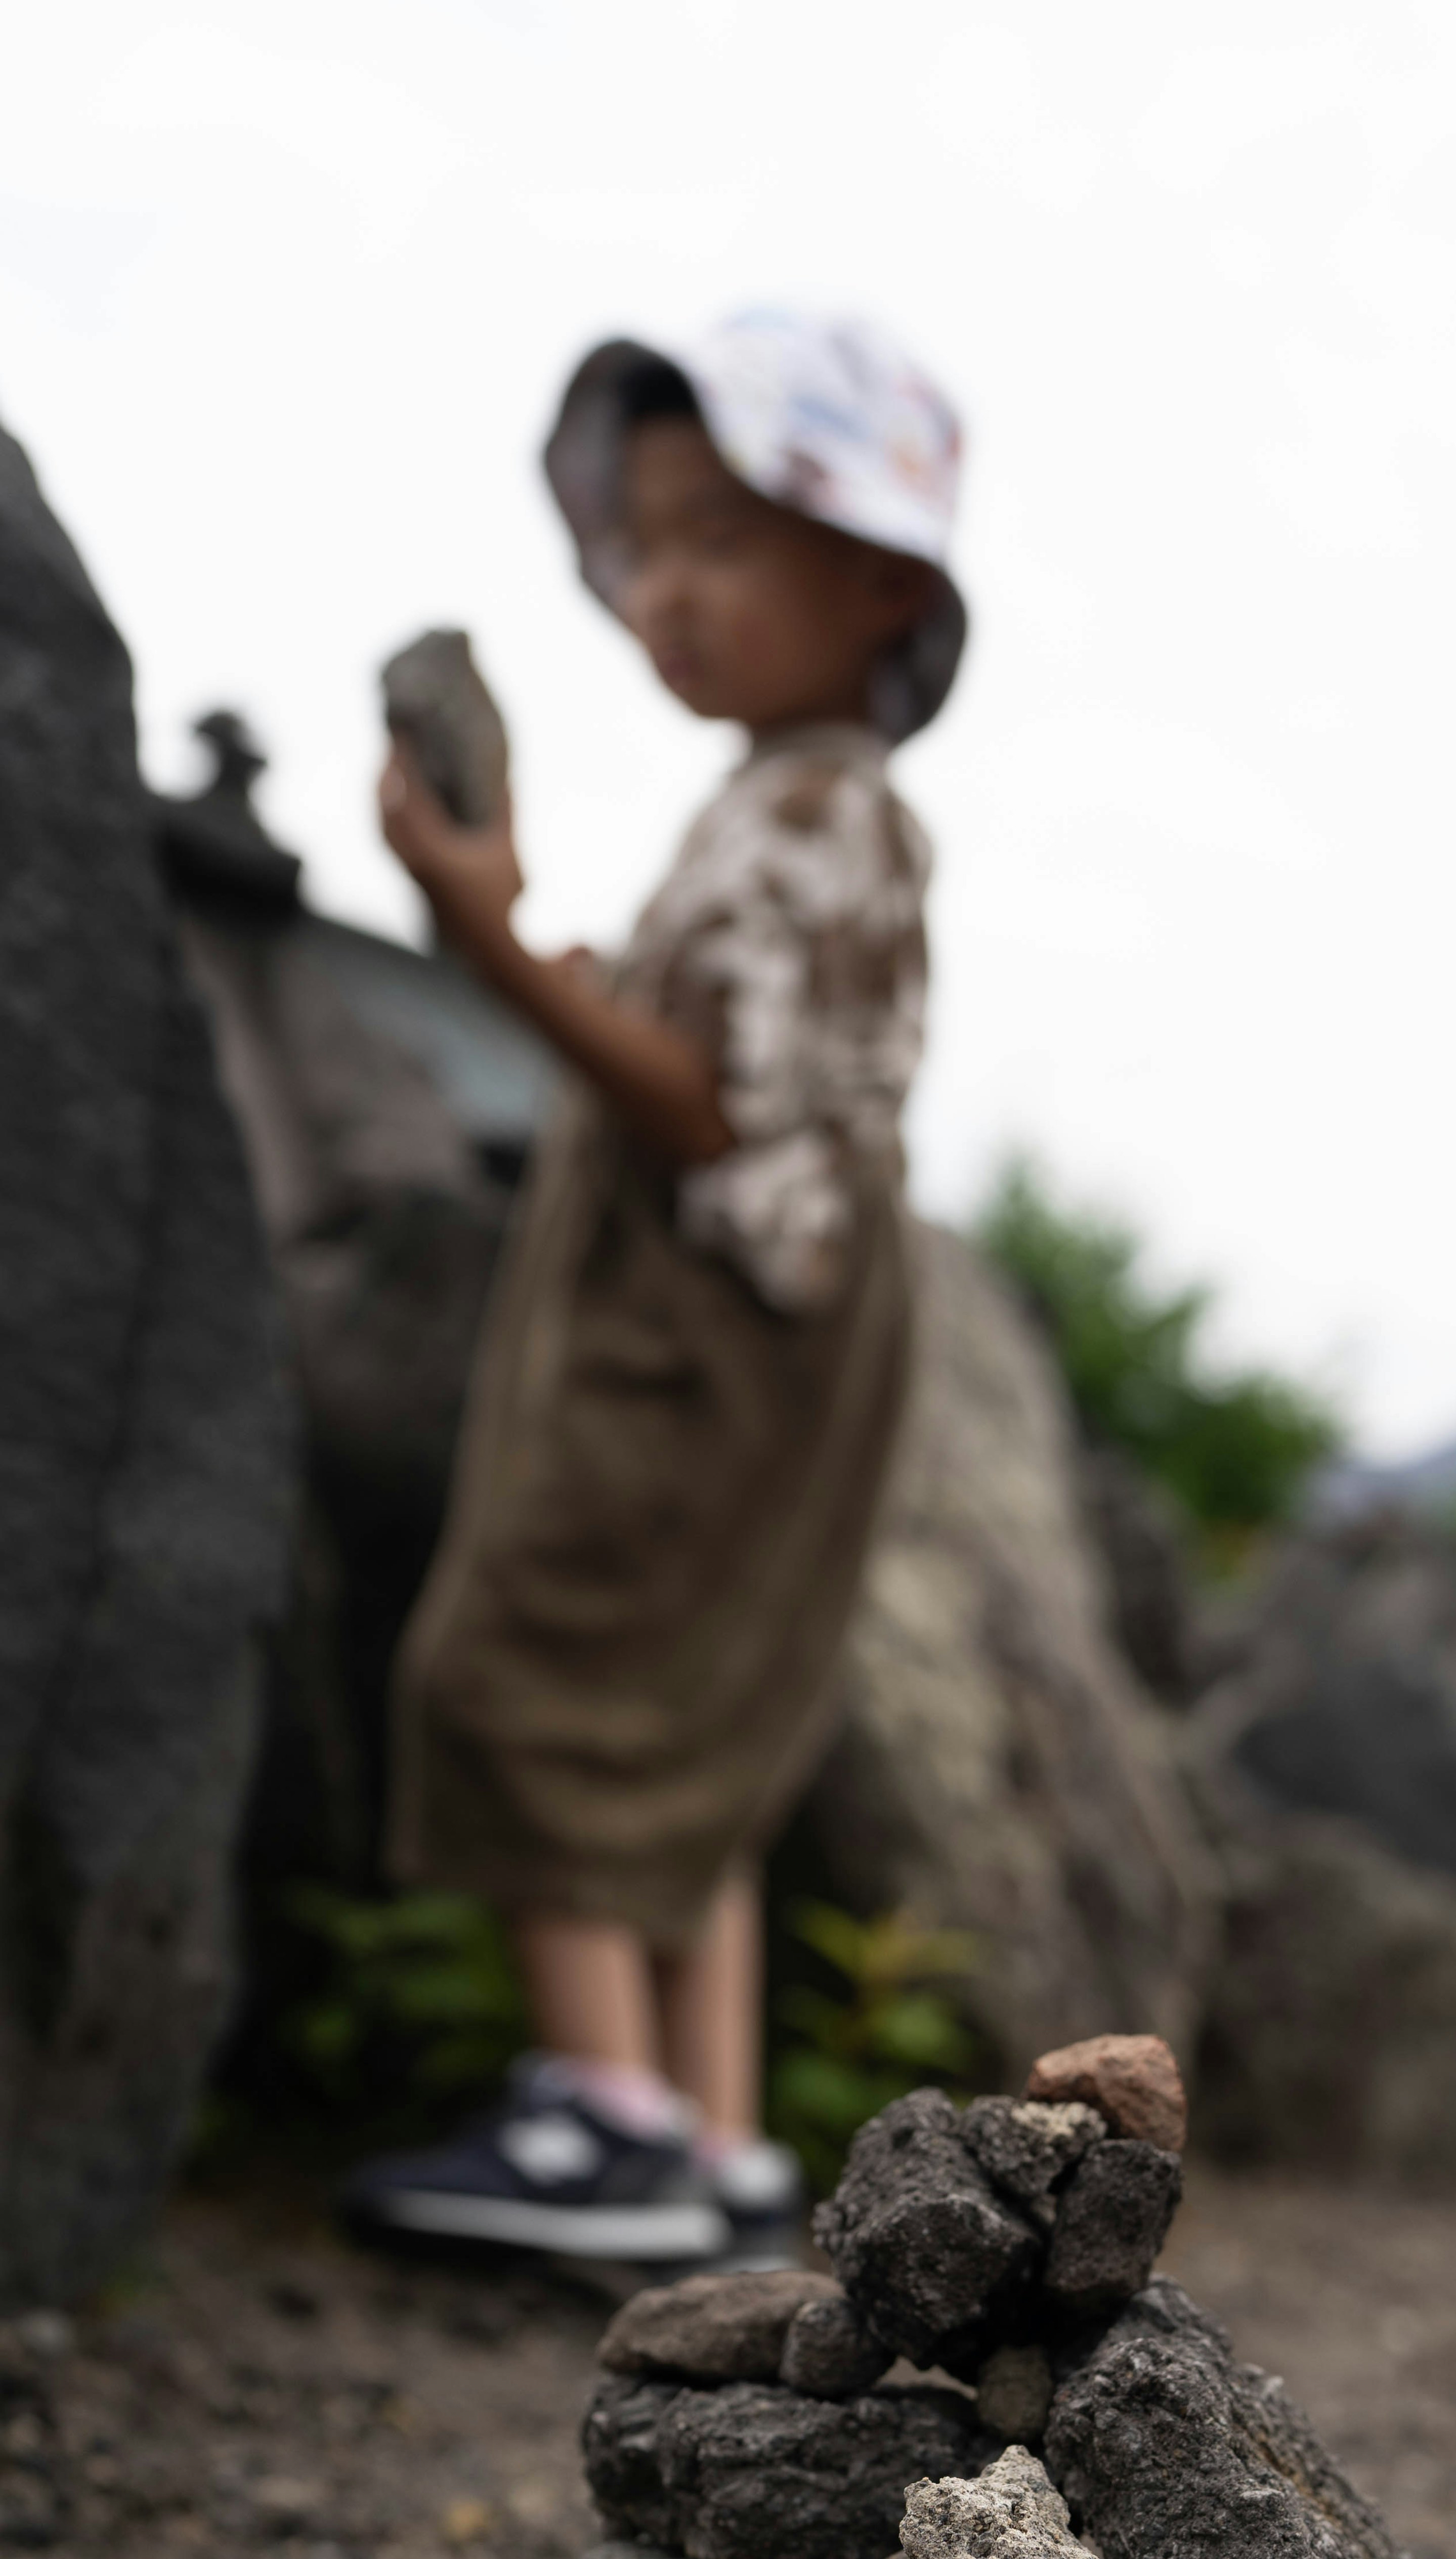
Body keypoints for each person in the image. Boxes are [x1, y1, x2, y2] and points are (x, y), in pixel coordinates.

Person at [346, 311, 966, 2261]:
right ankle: (712, 2141)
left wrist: (494, 946)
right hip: (795, 1313)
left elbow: (706, 1112)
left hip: (702, 1324)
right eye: (650, 548)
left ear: (875, 583)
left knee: (531, 1659)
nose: (664, 592)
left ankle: (605, 2124)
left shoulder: (804, 816)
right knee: (700, 1710)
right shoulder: (813, 808)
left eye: (723, 539)